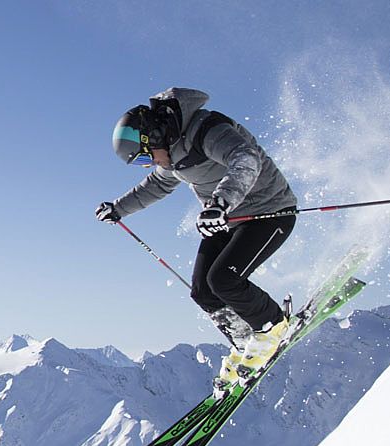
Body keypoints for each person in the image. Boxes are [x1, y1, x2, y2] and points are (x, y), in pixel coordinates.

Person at [95, 88, 299, 366]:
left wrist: (221, 202)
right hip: (226, 219)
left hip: (268, 212)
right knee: (202, 291)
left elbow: (246, 157)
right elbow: (156, 185)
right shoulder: (171, 150)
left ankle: (273, 326)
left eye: (144, 158)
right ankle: (245, 343)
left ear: (154, 136)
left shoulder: (207, 130)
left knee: (224, 281)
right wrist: (118, 208)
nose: (149, 165)